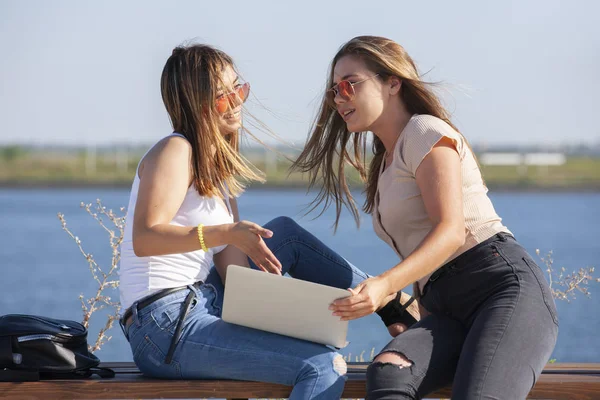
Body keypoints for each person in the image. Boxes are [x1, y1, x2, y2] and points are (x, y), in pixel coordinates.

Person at [117, 43, 418, 400]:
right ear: (193, 103)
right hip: (164, 325)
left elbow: (230, 268)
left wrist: (284, 306)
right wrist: (228, 232)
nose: (236, 102)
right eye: (221, 97)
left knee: (285, 235)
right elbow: (146, 237)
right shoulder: (175, 150)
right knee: (323, 365)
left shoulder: (214, 166)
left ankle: (389, 301)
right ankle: (390, 302)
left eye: (238, 89)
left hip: (206, 299)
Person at [292, 35, 559, 399]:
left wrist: (384, 287)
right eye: (333, 91)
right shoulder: (385, 164)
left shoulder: (424, 131)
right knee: (389, 374)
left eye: (349, 84)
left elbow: (451, 233)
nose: (339, 97)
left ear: (392, 82)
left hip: (500, 290)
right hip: (444, 312)